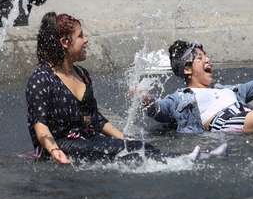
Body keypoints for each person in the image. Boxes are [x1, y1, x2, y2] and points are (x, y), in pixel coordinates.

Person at [26, 13, 221, 164]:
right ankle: (182, 160)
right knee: (121, 150)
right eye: (80, 36)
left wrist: (124, 137)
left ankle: (187, 157)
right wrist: (55, 151)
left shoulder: (82, 74)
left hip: (88, 141)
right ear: (65, 42)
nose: (86, 40)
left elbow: (95, 118)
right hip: (61, 145)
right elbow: (40, 125)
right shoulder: (42, 78)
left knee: (136, 145)